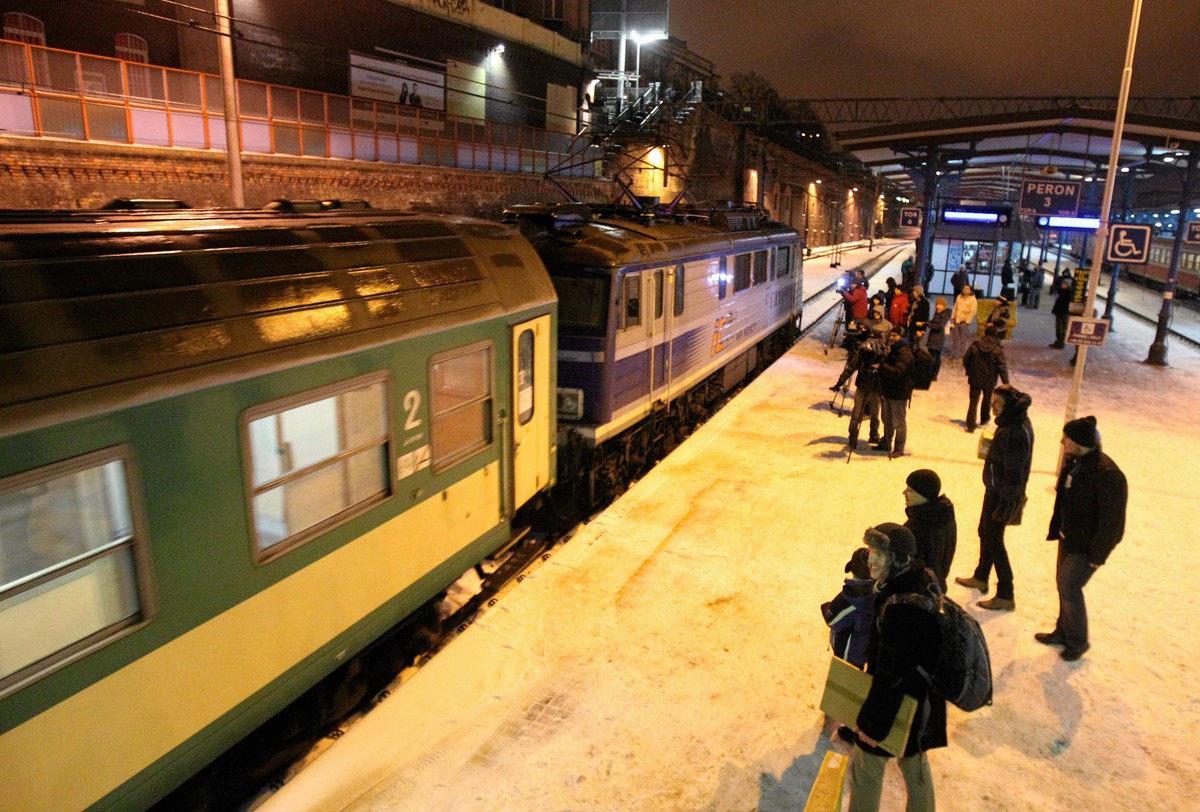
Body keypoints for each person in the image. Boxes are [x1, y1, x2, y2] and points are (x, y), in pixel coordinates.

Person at [848, 523, 945, 812]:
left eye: (881, 554)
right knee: (914, 761)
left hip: (898, 701)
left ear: (899, 559)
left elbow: (891, 676)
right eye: (871, 551)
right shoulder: (921, 576)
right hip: (924, 699)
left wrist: (871, 727)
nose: (872, 560)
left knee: (867, 767)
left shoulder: (901, 609)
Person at [1038, 416, 1128, 661]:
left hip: (1086, 547)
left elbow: (1113, 523)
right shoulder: (1076, 463)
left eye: (1066, 438)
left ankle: (1077, 642)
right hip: (1068, 538)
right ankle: (1062, 632)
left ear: (1078, 442)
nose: (1061, 441)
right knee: (1062, 584)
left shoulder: (1107, 474)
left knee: (1070, 587)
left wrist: (1098, 555)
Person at [956, 384, 1033, 611]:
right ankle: (981, 576)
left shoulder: (1016, 430)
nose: (992, 407)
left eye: (997, 403)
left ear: (1008, 404)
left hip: (1001, 495)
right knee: (985, 533)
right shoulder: (1011, 422)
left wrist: (1005, 503)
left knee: (995, 541)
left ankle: (1006, 593)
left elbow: (1015, 473)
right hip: (995, 490)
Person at [903, 469, 957, 592]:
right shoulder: (944, 514)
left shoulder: (918, 527)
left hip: (921, 591)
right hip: (938, 583)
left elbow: (907, 568)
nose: (904, 493)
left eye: (910, 490)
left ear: (924, 495)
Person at [822, 547, 876, 668]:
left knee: (844, 682)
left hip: (848, 652)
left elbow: (833, 620)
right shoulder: (876, 592)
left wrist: (826, 607)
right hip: (865, 649)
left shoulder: (849, 598)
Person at [962, 325, 1009, 433]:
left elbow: (966, 359)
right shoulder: (998, 349)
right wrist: (1006, 382)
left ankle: (970, 425)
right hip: (990, 380)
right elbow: (1002, 367)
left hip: (975, 378)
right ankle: (984, 420)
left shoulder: (975, 345)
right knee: (987, 400)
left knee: (973, 401)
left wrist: (969, 371)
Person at [876, 327, 914, 457]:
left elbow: (897, 372)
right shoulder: (893, 350)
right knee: (887, 420)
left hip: (899, 393)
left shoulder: (905, 353)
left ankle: (899, 448)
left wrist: (881, 366)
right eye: (890, 335)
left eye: (895, 336)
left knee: (899, 422)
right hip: (888, 390)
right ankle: (886, 443)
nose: (892, 338)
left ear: (902, 337)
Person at [846, 329, 886, 451]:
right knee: (858, 414)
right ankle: (854, 436)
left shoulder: (883, 353)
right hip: (863, 386)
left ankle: (873, 435)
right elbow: (851, 367)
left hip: (874, 387)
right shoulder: (863, 352)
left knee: (872, 414)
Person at [948, 285, 977, 361]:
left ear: (970, 290)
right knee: (955, 339)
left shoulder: (973, 299)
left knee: (963, 340)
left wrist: (967, 322)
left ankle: (962, 356)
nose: (965, 290)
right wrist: (952, 318)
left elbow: (973, 312)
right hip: (957, 321)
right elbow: (955, 308)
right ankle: (953, 354)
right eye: (964, 288)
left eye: (967, 288)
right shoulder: (959, 297)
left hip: (964, 322)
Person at [926, 297, 951, 381]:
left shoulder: (944, 314)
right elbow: (933, 321)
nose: (938, 306)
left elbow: (940, 326)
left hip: (938, 337)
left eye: (940, 304)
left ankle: (934, 374)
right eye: (937, 304)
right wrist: (926, 323)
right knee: (931, 355)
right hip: (933, 336)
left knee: (936, 356)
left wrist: (928, 325)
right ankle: (930, 373)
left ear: (944, 305)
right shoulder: (937, 313)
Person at [1050, 271, 1074, 348]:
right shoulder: (1061, 290)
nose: (1062, 285)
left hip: (1064, 312)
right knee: (1058, 328)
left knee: (1062, 328)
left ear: (1067, 285)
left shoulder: (1069, 293)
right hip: (1059, 311)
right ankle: (1058, 342)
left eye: (1064, 284)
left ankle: (1061, 343)